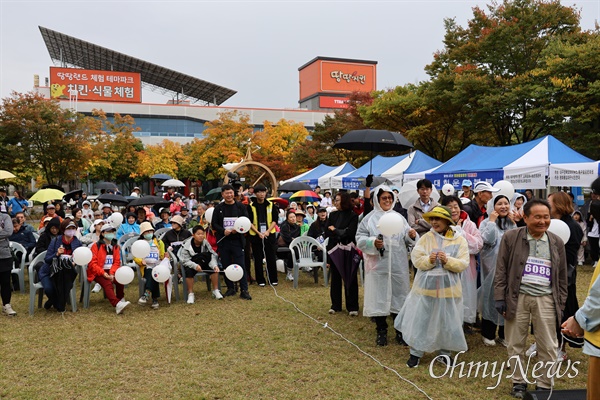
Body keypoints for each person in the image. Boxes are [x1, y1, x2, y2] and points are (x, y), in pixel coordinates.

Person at [494, 199, 567, 396]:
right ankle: (518, 382)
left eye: (546, 217)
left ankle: (544, 383)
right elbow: (501, 269)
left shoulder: (556, 242)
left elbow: (561, 276)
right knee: (515, 342)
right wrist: (500, 297)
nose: (543, 221)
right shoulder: (511, 237)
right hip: (517, 298)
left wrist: (560, 302)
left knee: (549, 345)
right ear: (525, 217)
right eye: (537, 217)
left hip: (546, 299)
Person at [395, 205, 469, 368]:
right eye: (432, 219)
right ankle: (416, 352)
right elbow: (416, 259)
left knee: (447, 322)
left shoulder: (459, 240)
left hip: (449, 291)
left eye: (438, 219)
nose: (434, 222)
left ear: (447, 221)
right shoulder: (426, 238)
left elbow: (463, 263)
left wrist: (447, 261)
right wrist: (429, 260)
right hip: (426, 289)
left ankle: (444, 353)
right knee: (422, 320)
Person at [356, 185, 417, 346]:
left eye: (390, 198)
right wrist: (372, 242)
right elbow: (359, 238)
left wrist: (412, 235)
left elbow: (407, 238)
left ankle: (400, 331)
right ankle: (381, 330)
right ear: (377, 199)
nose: (387, 201)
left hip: (398, 265)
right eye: (384, 198)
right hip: (379, 266)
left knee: (399, 296)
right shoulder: (369, 219)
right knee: (379, 297)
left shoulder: (399, 218)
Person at [548, 191, 584, 360]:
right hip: (549, 272)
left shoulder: (572, 226)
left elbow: (571, 255)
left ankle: (560, 347)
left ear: (559, 205)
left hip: (565, 276)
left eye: (550, 203)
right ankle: (548, 343)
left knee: (562, 311)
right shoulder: (552, 223)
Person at [441, 195, 483, 333]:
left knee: (465, 294)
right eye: (449, 207)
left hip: (466, 267)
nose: (453, 210)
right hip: (446, 266)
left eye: (456, 206)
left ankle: (464, 322)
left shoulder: (469, 225)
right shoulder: (441, 224)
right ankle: (448, 322)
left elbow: (477, 245)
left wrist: (461, 232)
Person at [479, 194, 517, 347]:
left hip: (509, 268)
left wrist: (515, 223)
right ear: (492, 207)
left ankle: (503, 334)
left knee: (507, 299)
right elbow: (487, 240)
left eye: (506, 203)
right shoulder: (486, 223)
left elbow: (519, 241)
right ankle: (487, 333)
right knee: (491, 298)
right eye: (499, 204)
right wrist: (492, 222)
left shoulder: (511, 223)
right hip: (492, 267)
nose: (503, 206)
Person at [211, 184, 252, 300]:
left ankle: (244, 290)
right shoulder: (218, 208)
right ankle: (231, 288)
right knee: (226, 265)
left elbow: (246, 221)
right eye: (226, 193)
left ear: (234, 194)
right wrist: (223, 231)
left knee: (241, 265)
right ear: (222, 194)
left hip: (238, 241)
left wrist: (238, 229)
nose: (229, 195)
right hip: (224, 241)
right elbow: (214, 223)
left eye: (231, 193)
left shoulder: (240, 207)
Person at [327, 192, 359, 316]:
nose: (336, 202)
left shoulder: (353, 216)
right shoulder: (333, 215)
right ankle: (335, 305)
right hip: (334, 248)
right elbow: (328, 232)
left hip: (349, 249)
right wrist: (339, 232)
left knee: (350, 277)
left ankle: (352, 306)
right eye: (335, 200)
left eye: (338, 200)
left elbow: (350, 233)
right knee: (335, 278)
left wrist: (336, 230)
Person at [39, 220, 82, 312]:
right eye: (68, 228)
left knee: (66, 285)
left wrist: (75, 262)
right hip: (50, 271)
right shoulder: (55, 241)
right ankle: (55, 302)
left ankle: (54, 302)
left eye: (73, 228)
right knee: (49, 289)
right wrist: (57, 254)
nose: (71, 231)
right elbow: (47, 259)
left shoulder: (77, 243)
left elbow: (80, 258)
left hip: (66, 273)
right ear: (63, 229)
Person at [86, 224, 130, 314]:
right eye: (108, 232)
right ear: (102, 233)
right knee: (107, 283)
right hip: (97, 272)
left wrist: (112, 273)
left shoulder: (115, 246)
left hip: (111, 270)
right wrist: (103, 273)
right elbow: (92, 264)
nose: (111, 234)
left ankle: (120, 298)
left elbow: (117, 262)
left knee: (120, 279)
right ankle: (117, 304)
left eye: (112, 232)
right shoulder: (95, 246)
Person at [179, 225, 223, 303]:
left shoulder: (205, 243)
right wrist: (195, 266)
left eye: (202, 234)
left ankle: (216, 290)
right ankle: (190, 294)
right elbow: (185, 260)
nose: (201, 236)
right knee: (188, 272)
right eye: (198, 234)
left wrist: (214, 265)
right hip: (191, 263)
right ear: (193, 235)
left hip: (203, 262)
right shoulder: (187, 245)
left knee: (214, 269)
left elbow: (212, 254)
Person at [247, 184, 279, 287]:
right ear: (255, 194)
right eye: (259, 192)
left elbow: (275, 220)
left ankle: (272, 278)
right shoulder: (251, 206)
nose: (261, 194)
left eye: (263, 192)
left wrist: (268, 231)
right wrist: (258, 232)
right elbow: (249, 222)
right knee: (258, 258)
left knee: (271, 257)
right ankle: (260, 279)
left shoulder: (271, 205)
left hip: (269, 234)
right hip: (256, 235)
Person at [134, 222, 168, 309]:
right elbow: (135, 257)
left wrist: (165, 256)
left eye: (150, 231)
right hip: (146, 267)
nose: (149, 233)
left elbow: (162, 254)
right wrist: (141, 261)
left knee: (156, 272)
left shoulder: (159, 242)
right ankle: (154, 299)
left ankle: (147, 293)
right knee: (152, 274)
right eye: (146, 232)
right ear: (142, 234)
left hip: (158, 265)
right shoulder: (139, 243)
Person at [278, 210, 301, 281]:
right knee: (293, 251)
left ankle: (301, 264)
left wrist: (293, 239)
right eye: (291, 217)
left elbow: (297, 237)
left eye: (294, 216)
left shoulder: (297, 227)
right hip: (283, 246)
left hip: (294, 245)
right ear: (287, 219)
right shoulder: (284, 226)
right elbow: (287, 239)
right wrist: (293, 239)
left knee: (297, 249)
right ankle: (290, 272)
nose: (293, 218)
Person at [0, 209, 16, 316]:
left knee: (5, 282)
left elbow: (8, 231)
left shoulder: (5, 217)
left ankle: (6, 305)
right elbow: (4, 233)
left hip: (4, 255)